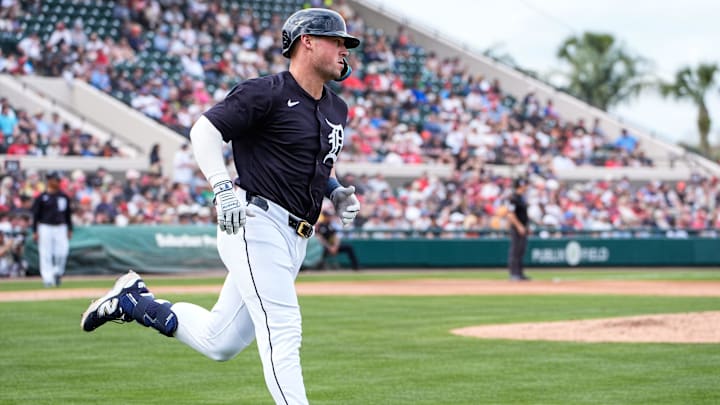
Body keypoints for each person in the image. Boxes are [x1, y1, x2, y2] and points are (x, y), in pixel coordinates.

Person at [80, 8, 361, 405]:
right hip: (256, 222)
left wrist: (334, 191)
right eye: (336, 40)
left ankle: (133, 301)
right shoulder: (266, 92)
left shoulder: (337, 108)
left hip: (295, 236)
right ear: (307, 42)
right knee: (283, 327)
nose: (344, 50)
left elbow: (310, 164)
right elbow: (204, 130)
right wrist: (221, 186)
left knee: (220, 341)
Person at [31, 171, 73, 287]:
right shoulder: (41, 197)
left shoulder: (64, 196)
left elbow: (68, 214)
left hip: (61, 227)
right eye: (57, 180)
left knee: (62, 253)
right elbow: (35, 215)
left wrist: (70, 228)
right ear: (50, 181)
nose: (59, 182)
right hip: (45, 227)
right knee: (45, 253)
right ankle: (47, 278)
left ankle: (57, 272)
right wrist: (35, 231)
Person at [506, 177, 530, 281]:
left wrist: (526, 226)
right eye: (525, 184)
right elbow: (510, 214)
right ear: (521, 185)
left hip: (523, 227)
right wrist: (519, 226)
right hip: (517, 228)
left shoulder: (521, 198)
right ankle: (514, 273)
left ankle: (519, 273)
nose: (526, 187)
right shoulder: (513, 198)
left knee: (521, 250)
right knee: (515, 250)